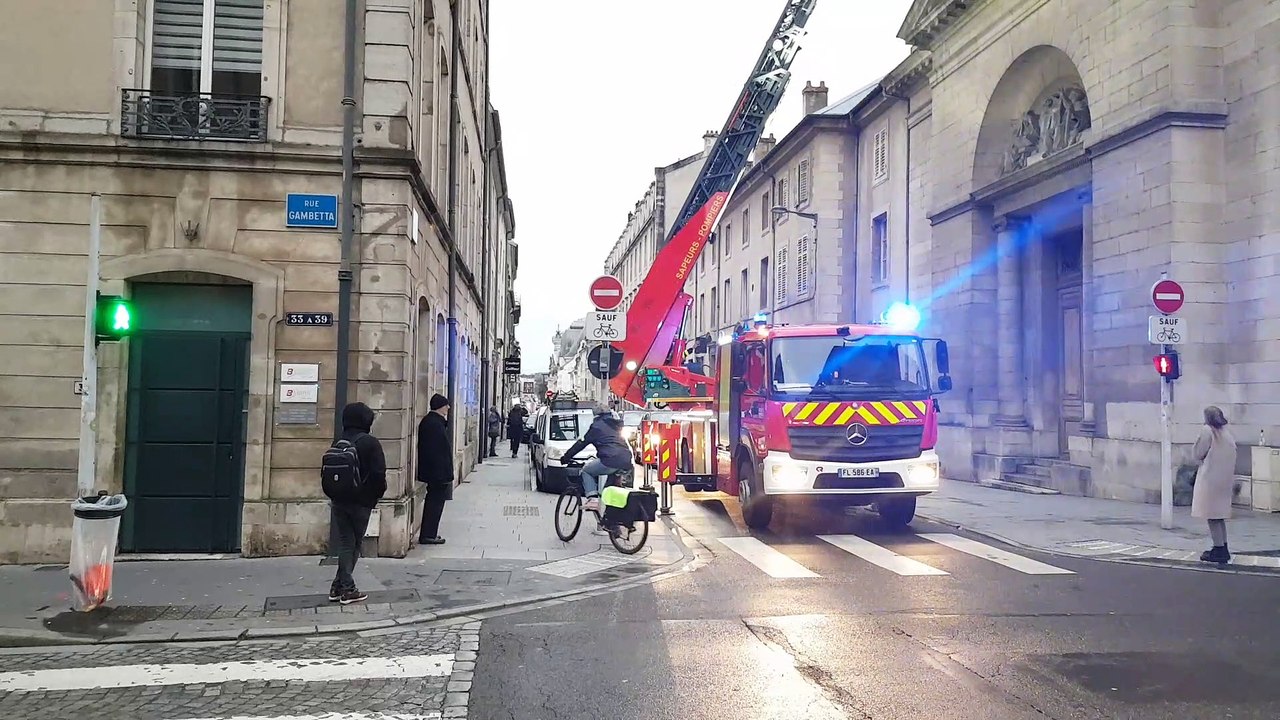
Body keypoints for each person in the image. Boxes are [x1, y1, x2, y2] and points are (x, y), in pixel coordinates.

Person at [328, 402, 387, 605]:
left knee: (346, 542)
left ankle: (338, 586)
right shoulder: (370, 443)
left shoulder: (339, 441)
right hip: (361, 502)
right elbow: (379, 474)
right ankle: (347, 588)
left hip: (338, 499)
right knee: (352, 545)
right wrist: (376, 495)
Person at [562, 405, 633, 512]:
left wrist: (566, 457)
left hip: (610, 459)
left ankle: (593, 499)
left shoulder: (596, 426)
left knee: (586, 471)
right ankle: (613, 521)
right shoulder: (615, 426)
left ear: (596, 415)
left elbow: (581, 444)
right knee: (609, 492)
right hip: (626, 460)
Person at [1190, 405, 1238, 565]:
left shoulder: (1207, 431)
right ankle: (1223, 547)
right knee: (1219, 515)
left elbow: (1198, 453)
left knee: (1211, 515)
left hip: (1210, 479)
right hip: (1224, 480)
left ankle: (1218, 549)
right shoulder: (1227, 433)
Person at [417, 394, 453, 545]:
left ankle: (430, 533)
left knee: (435, 502)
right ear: (440, 406)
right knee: (434, 503)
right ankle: (428, 534)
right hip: (436, 473)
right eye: (446, 405)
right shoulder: (433, 424)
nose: (448, 408)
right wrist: (441, 474)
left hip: (436, 472)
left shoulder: (434, 422)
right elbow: (435, 452)